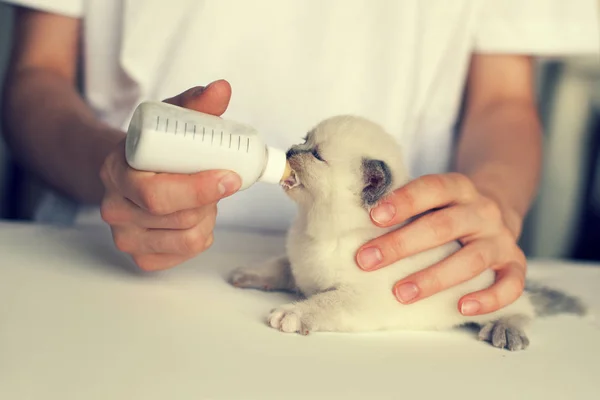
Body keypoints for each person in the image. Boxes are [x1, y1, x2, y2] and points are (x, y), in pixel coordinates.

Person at [1, 0, 598, 317]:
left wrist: (491, 202)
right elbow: (34, 77)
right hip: (102, 258)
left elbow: (503, 103)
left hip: (403, 264)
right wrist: (111, 166)